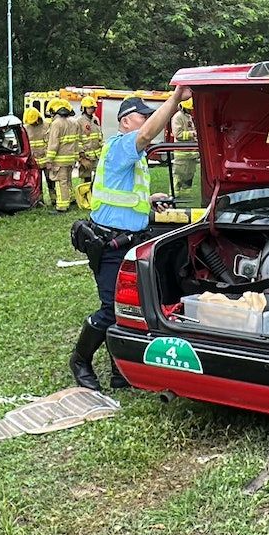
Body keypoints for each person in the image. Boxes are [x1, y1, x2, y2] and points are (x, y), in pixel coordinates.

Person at [67, 88, 187, 391]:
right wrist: (174, 101)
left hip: (130, 241)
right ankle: (80, 360)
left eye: (148, 115)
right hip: (109, 245)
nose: (146, 120)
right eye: (141, 116)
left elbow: (124, 202)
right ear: (124, 122)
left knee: (129, 309)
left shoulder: (135, 157)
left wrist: (149, 202)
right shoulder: (121, 146)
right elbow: (147, 135)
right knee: (110, 309)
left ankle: (119, 372)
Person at [49, 103, 81, 212]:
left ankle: (62, 207)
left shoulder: (56, 124)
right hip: (70, 159)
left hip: (59, 160)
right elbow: (77, 142)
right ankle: (70, 200)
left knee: (60, 182)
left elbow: (53, 143)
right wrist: (76, 157)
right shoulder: (74, 122)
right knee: (68, 181)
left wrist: (49, 160)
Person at [73, 105, 101, 210]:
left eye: (93, 108)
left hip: (96, 154)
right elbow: (77, 139)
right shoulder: (79, 121)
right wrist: (81, 156)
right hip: (86, 156)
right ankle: (84, 199)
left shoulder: (95, 120)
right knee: (86, 179)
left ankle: (94, 198)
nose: (92, 110)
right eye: (89, 108)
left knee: (97, 178)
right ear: (84, 108)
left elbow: (99, 135)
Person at [170, 98, 199, 199]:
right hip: (181, 153)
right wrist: (192, 134)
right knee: (179, 175)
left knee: (189, 175)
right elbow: (177, 134)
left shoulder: (188, 117)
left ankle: (186, 196)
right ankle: (174, 195)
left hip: (191, 152)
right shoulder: (178, 117)